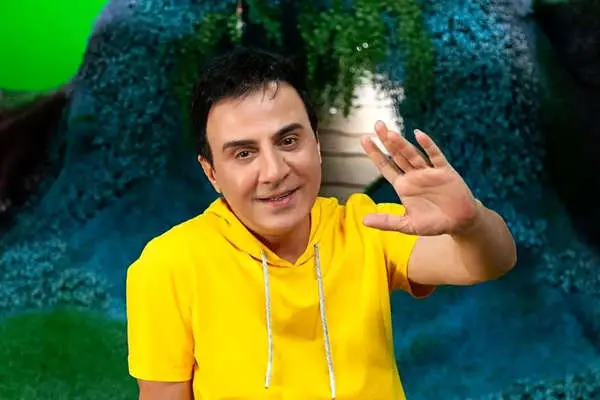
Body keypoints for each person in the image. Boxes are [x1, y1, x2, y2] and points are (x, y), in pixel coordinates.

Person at [126, 47, 517, 400]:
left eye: (288, 141)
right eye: (244, 153)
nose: (274, 171)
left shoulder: (368, 226)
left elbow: (491, 262)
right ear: (211, 172)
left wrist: (470, 221)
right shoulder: (168, 264)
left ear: (316, 143)